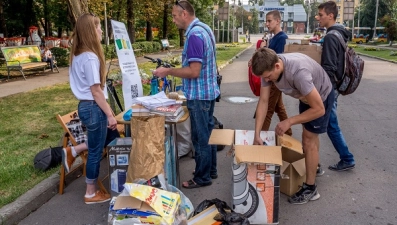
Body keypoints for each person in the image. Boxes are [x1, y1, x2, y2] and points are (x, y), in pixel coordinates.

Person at [251, 48, 334, 204]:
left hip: (321, 97)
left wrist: (289, 121)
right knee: (310, 135)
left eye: (269, 77)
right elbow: (263, 101)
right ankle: (315, 166)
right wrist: (257, 134)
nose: (267, 81)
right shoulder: (266, 67)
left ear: (277, 66)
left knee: (308, 139)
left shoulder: (298, 73)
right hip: (305, 97)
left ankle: (311, 188)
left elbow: (319, 109)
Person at [153, 0, 220, 189]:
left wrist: (167, 71)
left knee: (200, 138)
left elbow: (193, 71)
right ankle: (209, 170)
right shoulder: (203, 28)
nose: (173, 20)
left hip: (199, 95)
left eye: (174, 16)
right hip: (207, 92)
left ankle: (202, 177)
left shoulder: (194, 36)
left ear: (184, 14)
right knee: (208, 133)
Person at [62, 13, 118, 204]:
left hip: (88, 107)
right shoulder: (90, 57)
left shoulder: (78, 55)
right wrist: (110, 114)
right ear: (90, 31)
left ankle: (75, 150)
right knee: (95, 151)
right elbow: (96, 91)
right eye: (98, 27)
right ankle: (91, 192)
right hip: (94, 107)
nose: (101, 30)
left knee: (112, 139)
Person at [316, 1, 355, 171]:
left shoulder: (332, 36)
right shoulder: (338, 33)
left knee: (330, 125)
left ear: (330, 16)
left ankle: (347, 158)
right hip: (335, 86)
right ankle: (345, 158)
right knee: (329, 124)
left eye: (321, 15)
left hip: (329, 87)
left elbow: (329, 67)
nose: (318, 18)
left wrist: (323, 89)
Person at [255, 10, 292, 136]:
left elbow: (276, 60)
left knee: (268, 109)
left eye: (269, 21)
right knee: (278, 107)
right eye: (266, 21)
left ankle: (260, 136)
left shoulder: (282, 38)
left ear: (278, 21)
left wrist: (263, 48)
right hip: (273, 78)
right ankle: (288, 133)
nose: (267, 24)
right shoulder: (274, 37)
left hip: (275, 78)